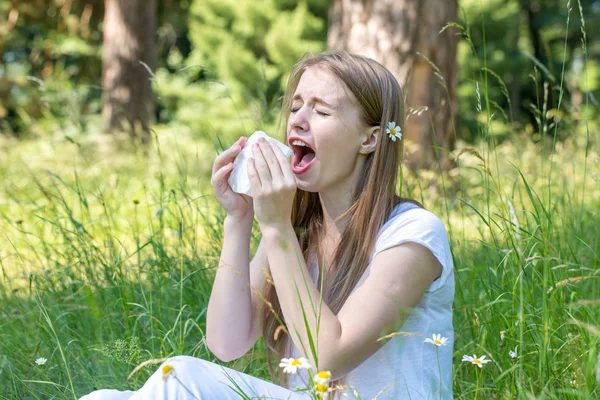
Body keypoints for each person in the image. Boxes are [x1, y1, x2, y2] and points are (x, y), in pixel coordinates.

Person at [80, 51, 454, 400]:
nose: (298, 120)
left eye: (321, 111)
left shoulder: (413, 234)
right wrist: (239, 219)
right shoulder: (300, 233)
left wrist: (276, 229)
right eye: (296, 106)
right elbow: (227, 343)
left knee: (177, 377)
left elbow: (328, 358)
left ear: (370, 139)